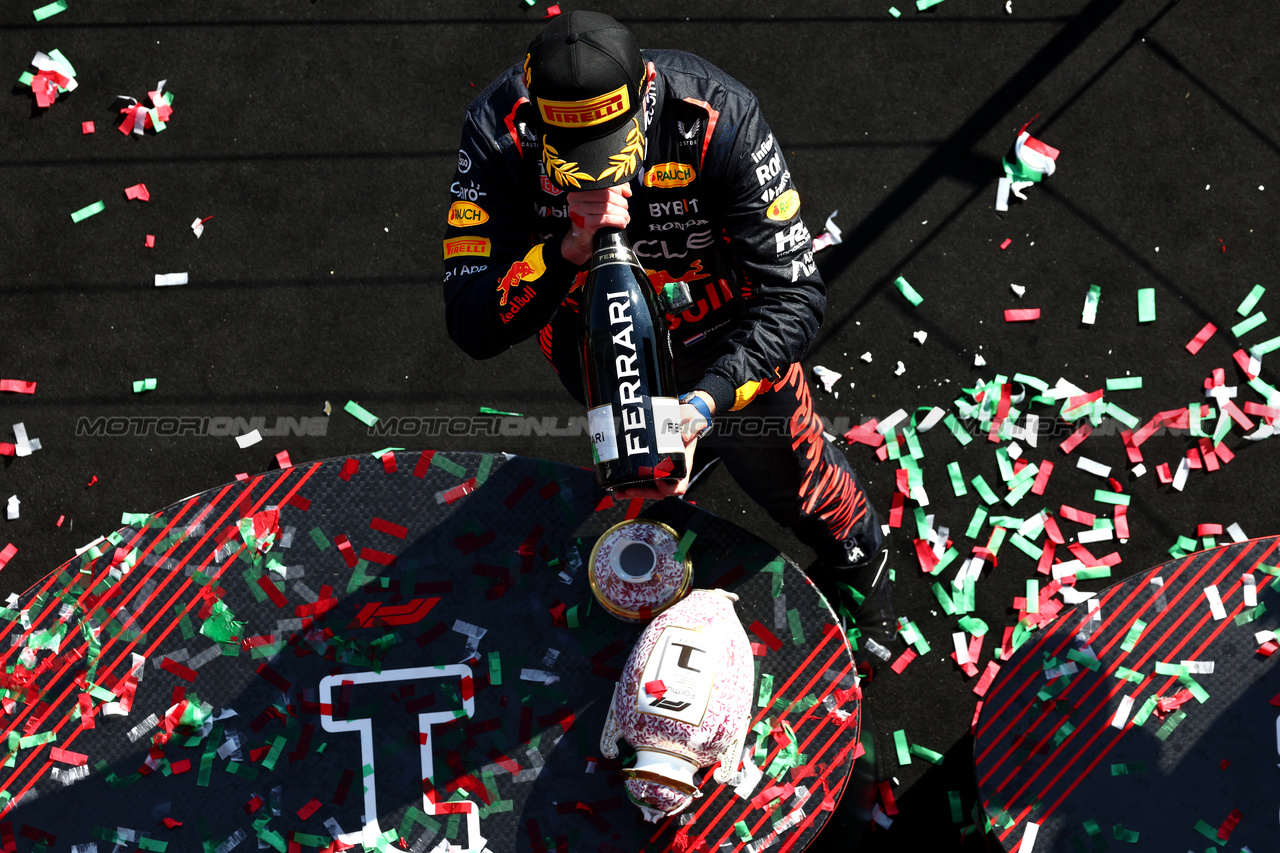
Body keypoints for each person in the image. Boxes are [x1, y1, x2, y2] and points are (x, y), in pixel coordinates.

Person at [441, 10, 895, 654]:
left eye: (606, 144)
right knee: (640, 489)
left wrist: (703, 405)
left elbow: (793, 297)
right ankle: (689, 454)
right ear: (535, 114)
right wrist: (565, 247)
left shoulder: (717, 117)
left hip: (729, 353)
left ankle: (861, 574)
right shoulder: (498, 131)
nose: (596, 175)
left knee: (799, 483)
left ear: (646, 91)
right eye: (572, 154)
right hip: (598, 360)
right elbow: (471, 323)